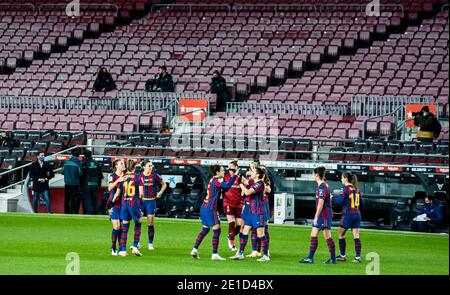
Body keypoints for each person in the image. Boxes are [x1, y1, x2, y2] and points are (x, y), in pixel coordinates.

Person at [190, 165, 237, 260]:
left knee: (205, 229)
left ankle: (194, 249)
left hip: (204, 207)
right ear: (217, 172)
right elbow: (227, 186)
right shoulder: (216, 181)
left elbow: (225, 187)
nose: (224, 172)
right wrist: (234, 176)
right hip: (211, 208)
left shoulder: (213, 180)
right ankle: (214, 254)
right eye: (222, 171)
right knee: (217, 229)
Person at [229, 167, 270, 262]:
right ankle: (240, 254)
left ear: (257, 175)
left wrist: (239, 183)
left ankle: (266, 255)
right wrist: (237, 175)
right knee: (245, 231)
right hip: (251, 212)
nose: (251, 172)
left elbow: (247, 192)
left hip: (258, 212)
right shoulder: (253, 182)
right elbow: (245, 181)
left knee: (261, 234)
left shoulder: (259, 184)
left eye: (253, 172)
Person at [299, 166, 337, 264]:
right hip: (323, 215)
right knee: (313, 234)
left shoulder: (322, 187)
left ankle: (333, 259)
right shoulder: (324, 185)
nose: (312, 175)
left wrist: (316, 217)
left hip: (324, 215)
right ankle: (310, 258)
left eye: (313, 174)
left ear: (316, 175)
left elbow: (320, 204)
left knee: (327, 236)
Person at [333, 172, 363, 263]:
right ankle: (357, 257)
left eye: (342, 178)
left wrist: (331, 198)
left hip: (348, 215)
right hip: (357, 214)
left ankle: (342, 256)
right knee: (356, 236)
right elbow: (362, 203)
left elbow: (340, 201)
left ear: (346, 178)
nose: (341, 179)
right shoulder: (356, 189)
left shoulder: (345, 189)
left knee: (340, 234)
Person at [116, 160, 144, 257]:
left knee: (125, 227)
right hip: (133, 203)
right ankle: (135, 246)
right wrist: (140, 206)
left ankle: (122, 250)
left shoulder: (123, 177)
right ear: (134, 167)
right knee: (138, 222)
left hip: (124, 204)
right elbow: (141, 194)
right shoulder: (138, 177)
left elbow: (118, 193)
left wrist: (112, 202)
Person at [141, 160, 167, 250]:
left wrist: (160, 192)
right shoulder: (139, 176)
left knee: (150, 223)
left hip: (151, 201)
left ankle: (150, 243)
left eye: (151, 166)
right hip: (141, 202)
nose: (151, 167)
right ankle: (137, 243)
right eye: (149, 166)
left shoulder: (155, 175)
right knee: (138, 221)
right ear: (144, 167)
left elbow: (164, 184)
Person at [222, 160, 243, 252]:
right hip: (228, 202)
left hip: (239, 203)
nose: (230, 171)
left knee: (239, 225)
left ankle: (230, 236)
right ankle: (232, 242)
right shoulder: (225, 177)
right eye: (229, 169)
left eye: (232, 169)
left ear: (237, 169)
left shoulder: (241, 178)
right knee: (232, 222)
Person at [107, 159, 126, 256]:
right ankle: (113, 247)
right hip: (114, 204)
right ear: (116, 166)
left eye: (123, 163)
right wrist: (118, 180)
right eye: (121, 164)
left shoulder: (126, 176)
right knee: (116, 226)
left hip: (124, 205)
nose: (123, 165)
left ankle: (121, 247)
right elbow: (109, 188)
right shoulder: (112, 176)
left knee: (122, 227)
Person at [82, 150, 103, 215]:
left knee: (88, 200)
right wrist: (99, 184)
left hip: (87, 183)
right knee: (95, 200)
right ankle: (96, 212)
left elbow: (82, 175)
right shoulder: (97, 163)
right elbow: (100, 175)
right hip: (95, 183)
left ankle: (89, 213)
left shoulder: (84, 163)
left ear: (85, 156)